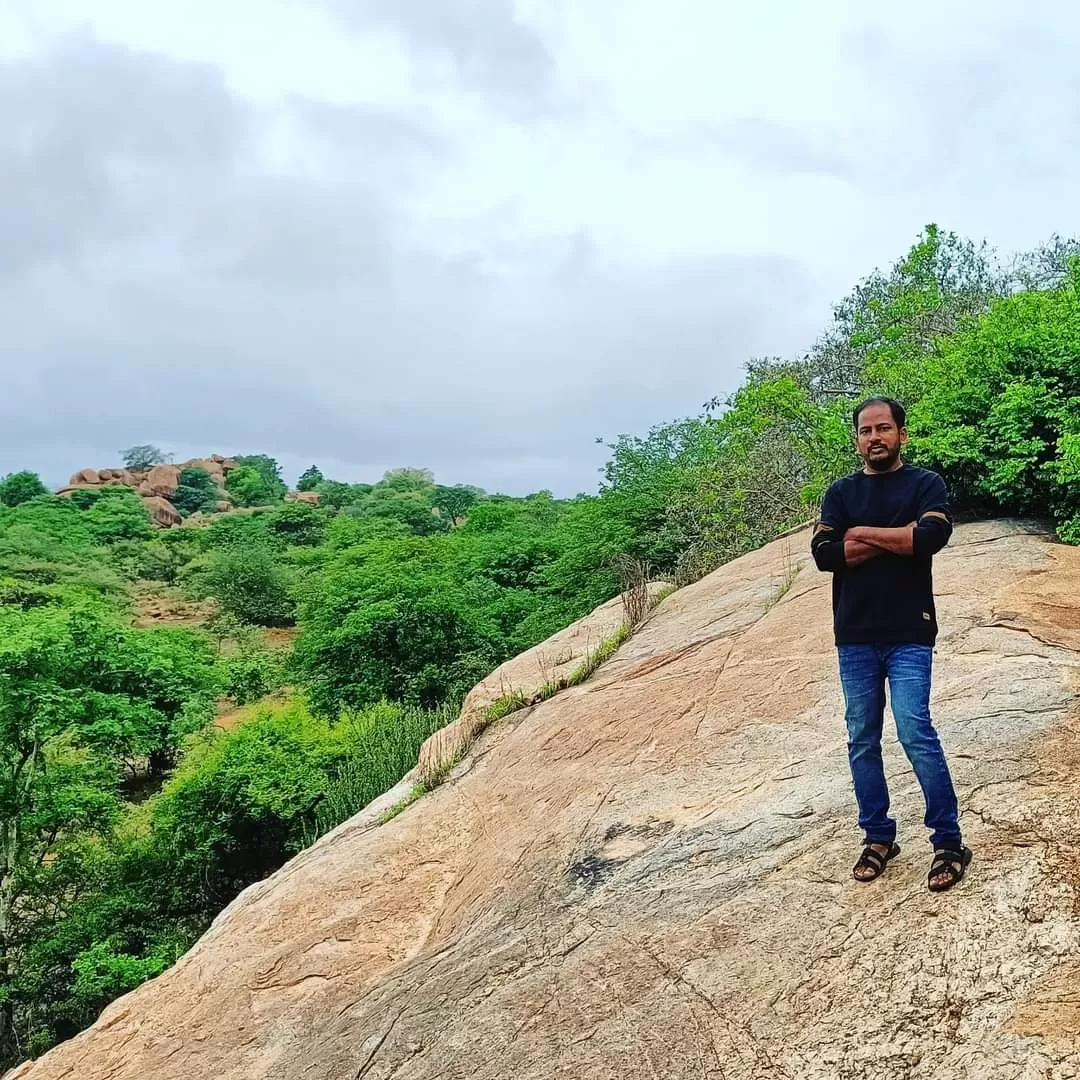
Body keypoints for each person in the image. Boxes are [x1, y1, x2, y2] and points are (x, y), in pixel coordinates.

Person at [810, 397, 972, 892]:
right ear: (857, 438)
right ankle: (879, 837)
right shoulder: (840, 492)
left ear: (901, 433)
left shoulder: (926, 484)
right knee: (862, 739)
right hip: (854, 634)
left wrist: (859, 534)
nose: (874, 437)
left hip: (909, 632)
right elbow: (823, 554)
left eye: (884, 428)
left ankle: (948, 842)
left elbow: (926, 541)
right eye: (865, 430)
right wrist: (892, 536)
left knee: (915, 732)